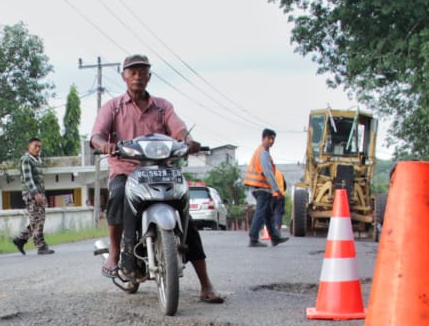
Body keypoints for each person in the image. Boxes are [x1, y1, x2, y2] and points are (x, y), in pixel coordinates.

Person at [90, 54, 224, 303]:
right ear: (124, 77)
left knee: (186, 219)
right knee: (117, 195)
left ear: (149, 76)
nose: (138, 76)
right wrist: (104, 145)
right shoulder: (113, 107)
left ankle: (206, 284)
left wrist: (188, 141)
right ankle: (116, 251)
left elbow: (179, 129)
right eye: (133, 72)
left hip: (161, 172)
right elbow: (96, 135)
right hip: (126, 171)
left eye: (143, 72)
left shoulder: (163, 107)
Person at [246, 128, 288, 247]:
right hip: (262, 188)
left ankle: (275, 237)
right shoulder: (263, 153)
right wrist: (276, 190)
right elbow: (268, 172)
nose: (271, 141)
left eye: (273, 139)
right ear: (263, 138)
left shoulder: (261, 151)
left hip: (259, 188)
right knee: (260, 213)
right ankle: (253, 238)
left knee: (268, 214)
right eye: (269, 138)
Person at [13, 137, 54, 255]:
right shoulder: (26, 159)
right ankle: (41, 246)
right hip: (32, 194)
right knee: (38, 221)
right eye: (35, 146)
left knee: (37, 220)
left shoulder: (37, 160)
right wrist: (36, 193)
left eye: (39, 147)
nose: (38, 149)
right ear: (29, 147)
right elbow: (28, 178)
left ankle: (20, 239)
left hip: (39, 193)